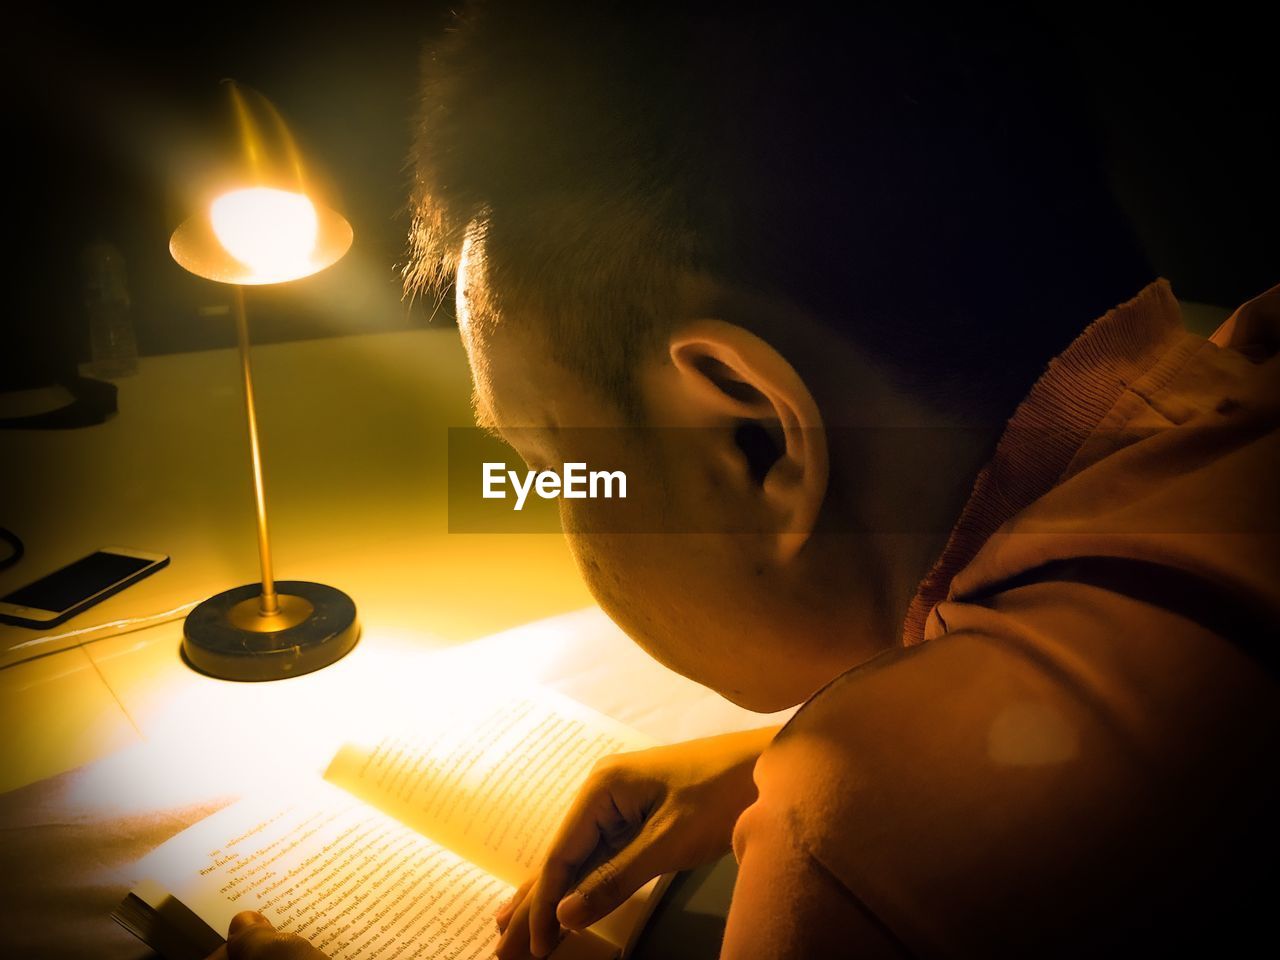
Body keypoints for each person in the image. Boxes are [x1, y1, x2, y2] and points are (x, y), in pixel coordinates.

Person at [211, 2, 1280, 957]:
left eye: (556, 470)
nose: (554, 513)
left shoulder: (863, 839)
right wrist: (756, 756)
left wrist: (837, 797)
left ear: (755, 443)